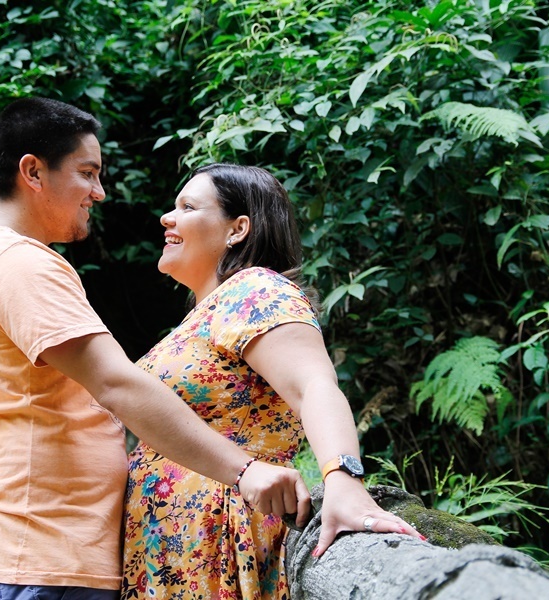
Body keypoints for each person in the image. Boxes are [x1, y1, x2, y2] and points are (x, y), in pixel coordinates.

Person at [0, 98, 313, 600]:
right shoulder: (22, 264)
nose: (100, 192)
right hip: (50, 567)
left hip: (21, 559)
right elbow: (115, 382)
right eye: (88, 173)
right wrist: (244, 470)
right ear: (33, 172)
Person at [121, 164, 424, 598]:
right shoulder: (204, 314)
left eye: (187, 207)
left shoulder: (255, 289)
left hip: (217, 537)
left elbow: (313, 386)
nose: (167, 218)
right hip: (168, 545)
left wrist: (344, 480)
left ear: (238, 228)